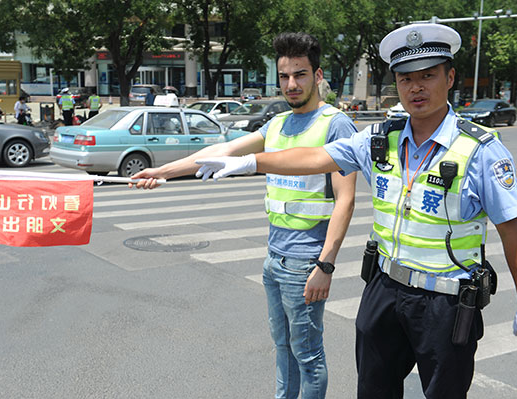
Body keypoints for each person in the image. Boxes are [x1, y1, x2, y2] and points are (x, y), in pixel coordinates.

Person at [195, 23, 517, 398]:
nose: (416, 87)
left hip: (445, 303)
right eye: (405, 78)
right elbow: (317, 156)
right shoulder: (379, 139)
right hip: (384, 290)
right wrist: (252, 163)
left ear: (449, 78)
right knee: (372, 389)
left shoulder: (480, 150)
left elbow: (514, 230)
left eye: (427, 76)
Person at [131, 32, 358, 398]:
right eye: (284, 76)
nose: (291, 84)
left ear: (317, 76)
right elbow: (222, 150)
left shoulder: (335, 124)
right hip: (274, 259)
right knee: (283, 349)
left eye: (300, 75)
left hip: (306, 262)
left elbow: (346, 200)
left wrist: (325, 265)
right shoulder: (278, 124)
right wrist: (161, 173)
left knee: (308, 356)